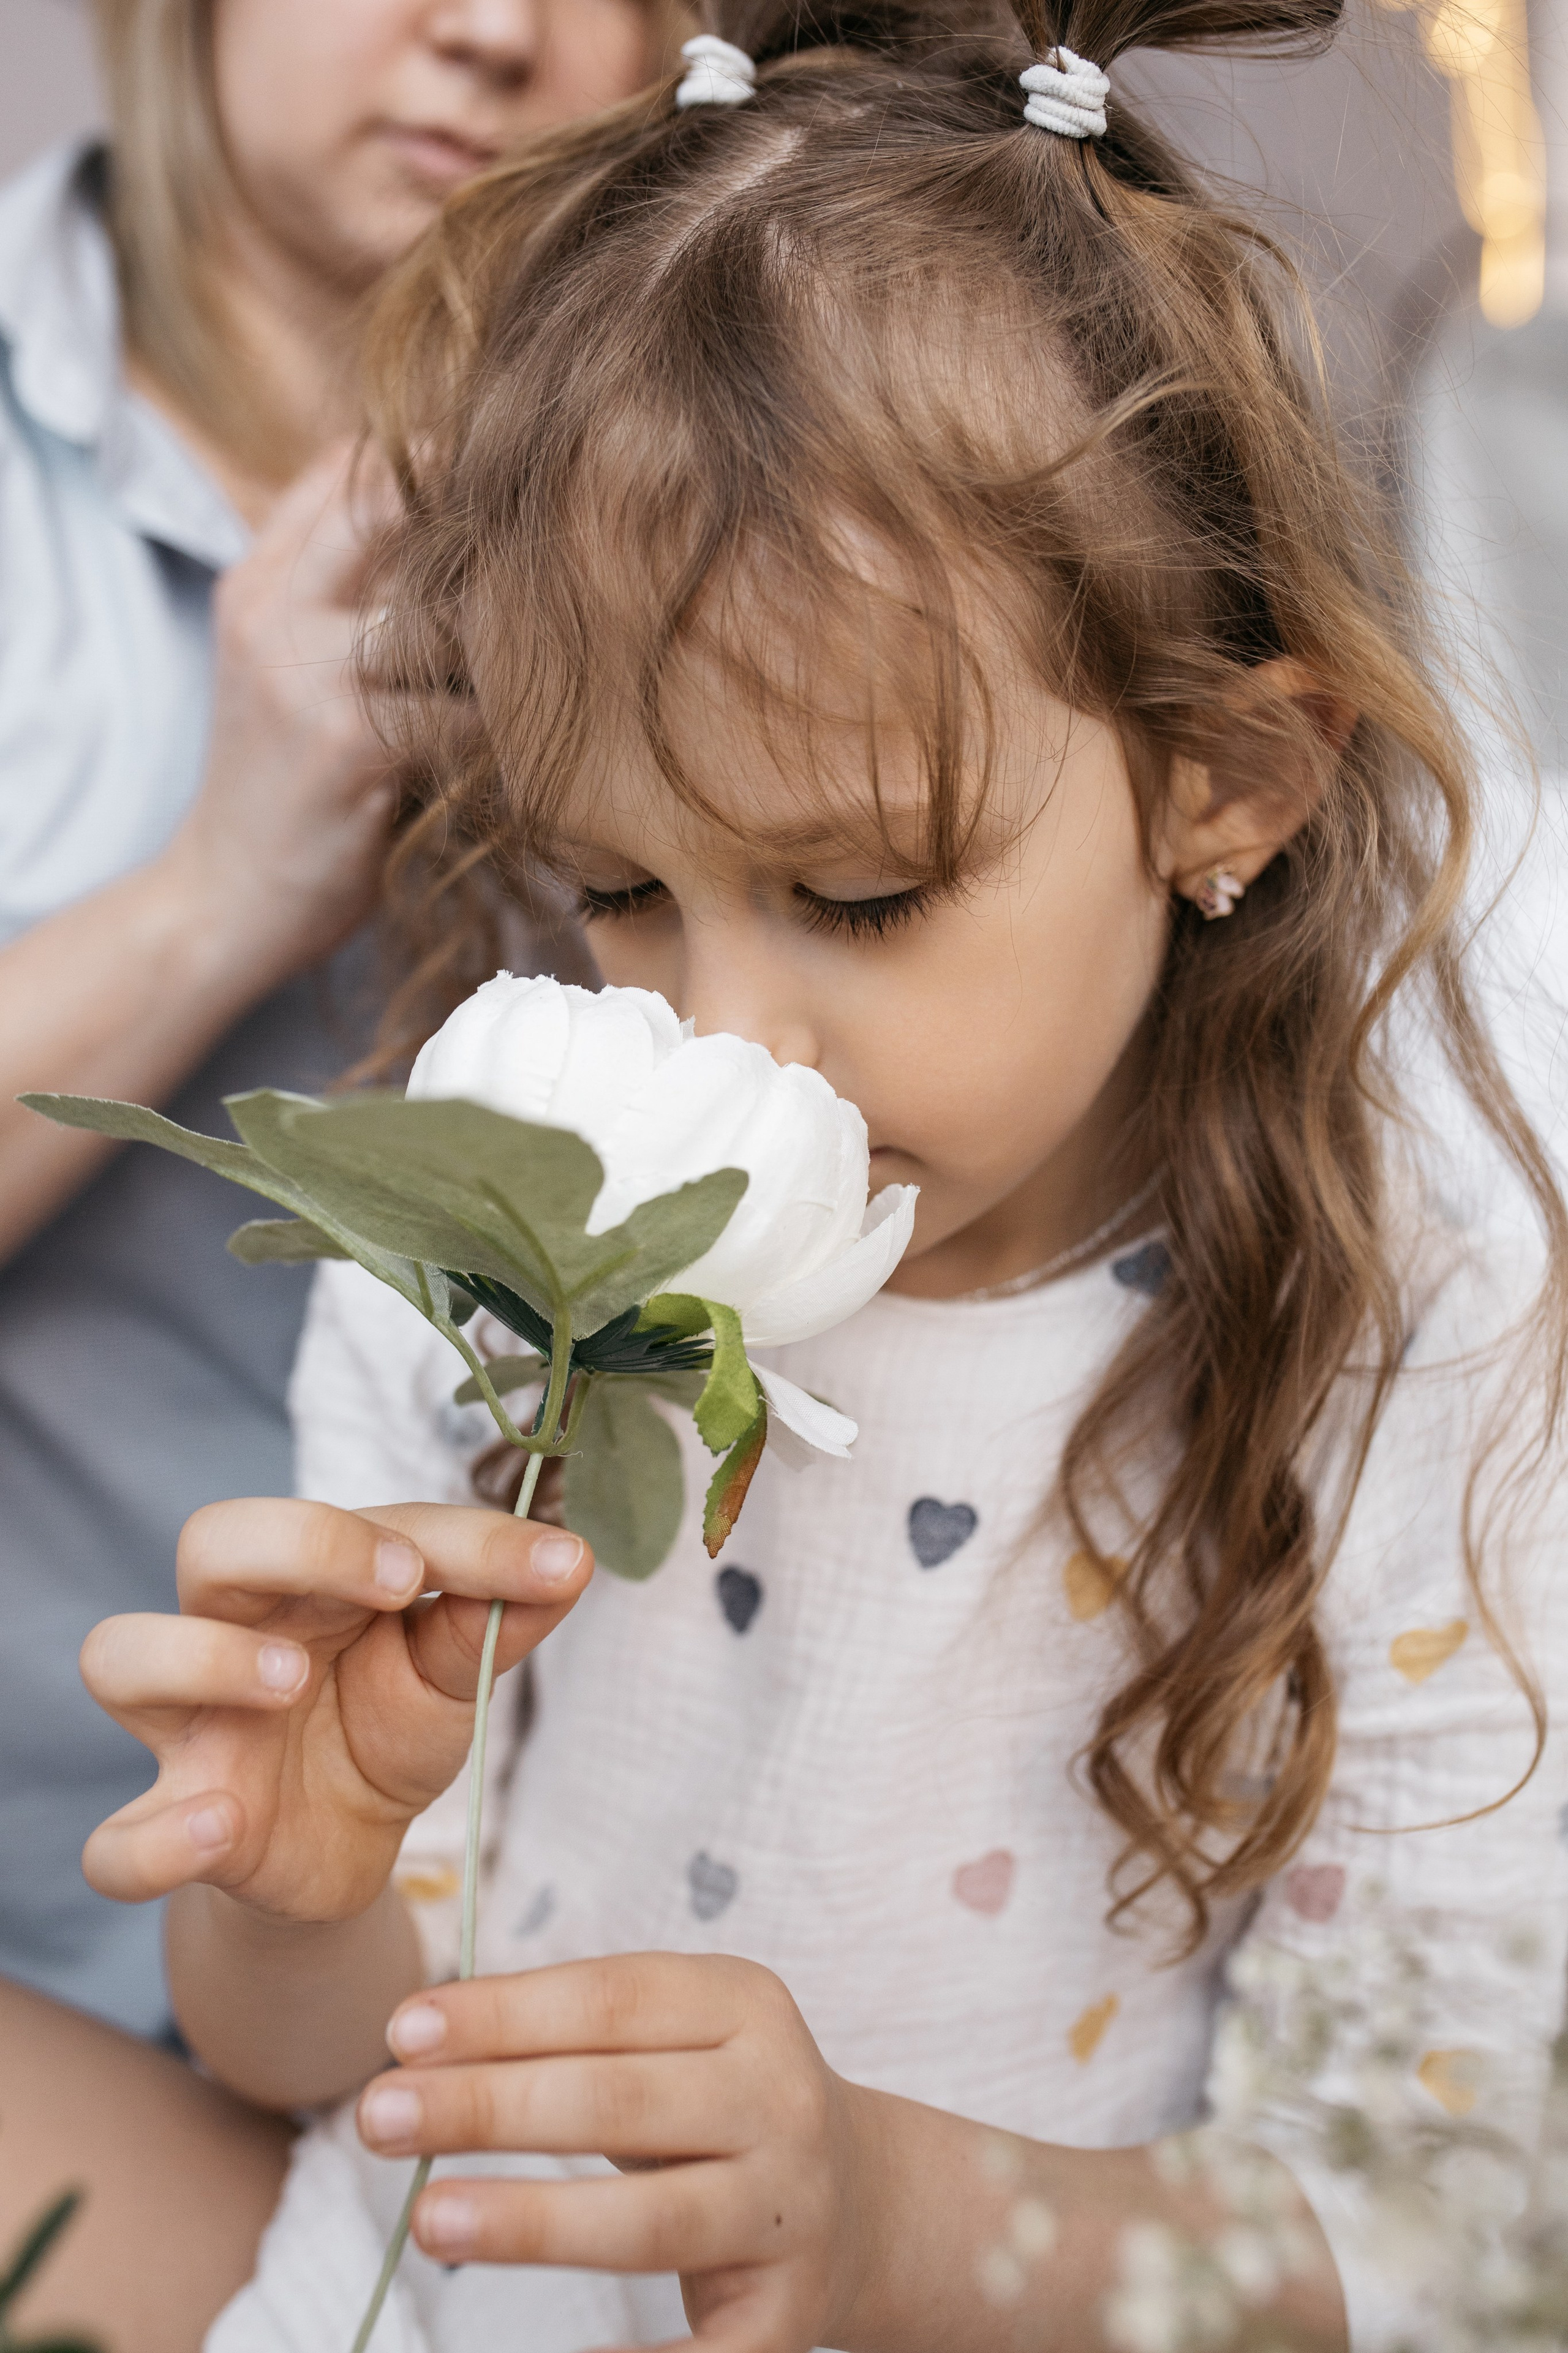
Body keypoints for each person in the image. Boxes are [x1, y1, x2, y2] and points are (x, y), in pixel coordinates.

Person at [6, 0, 1568, 2343]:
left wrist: (884, 2210)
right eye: (620, 888)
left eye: (860, 897)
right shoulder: (485, 1244)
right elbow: (318, 2061)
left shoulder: (1404, 1342)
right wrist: (297, 1888)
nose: (720, 1037)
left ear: (1227, 782)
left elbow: (1451, 2238)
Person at [0, 0, 662, 2041]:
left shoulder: (757, 486)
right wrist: (222, 885)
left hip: (582, 1961)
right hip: (61, 1962)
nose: (488, 30)